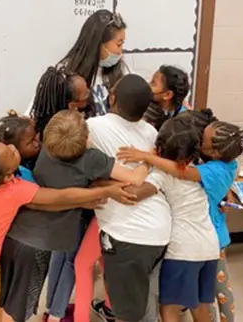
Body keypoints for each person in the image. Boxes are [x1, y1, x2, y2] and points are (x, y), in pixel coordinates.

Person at [0, 140, 125, 322]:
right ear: (6, 176)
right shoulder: (14, 189)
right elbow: (60, 196)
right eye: (10, 153)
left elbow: (42, 203)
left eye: (9, 146)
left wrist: (81, 203)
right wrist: (106, 192)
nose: (13, 147)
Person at [0, 109, 150, 322]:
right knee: (20, 306)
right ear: (87, 138)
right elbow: (135, 178)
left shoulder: (46, 150)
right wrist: (149, 157)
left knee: (9, 299)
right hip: (46, 240)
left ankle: (52, 311)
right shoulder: (91, 159)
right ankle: (55, 313)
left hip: (22, 233)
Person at [118, 120, 243, 322]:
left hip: (184, 251)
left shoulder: (168, 174)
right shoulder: (211, 165)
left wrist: (145, 159)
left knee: (169, 308)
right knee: (198, 304)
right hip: (209, 246)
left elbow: (136, 194)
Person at [85, 74, 171, 322]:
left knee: (127, 314)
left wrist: (102, 183)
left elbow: (80, 167)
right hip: (160, 229)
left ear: (111, 97)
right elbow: (155, 175)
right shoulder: (151, 131)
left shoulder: (93, 126)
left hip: (129, 237)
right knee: (143, 303)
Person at [0, 111, 41, 322]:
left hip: (1, 245)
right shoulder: (21, 180)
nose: (38, 142)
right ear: (12, 149)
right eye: (31, 141)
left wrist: (26, 124)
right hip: (13, 246)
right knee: (4, 299)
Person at [143, 65, 190, 131]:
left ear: (167, 95)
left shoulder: (181, 124)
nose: (148, 85)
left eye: (153, 83)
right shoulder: (148, 106)